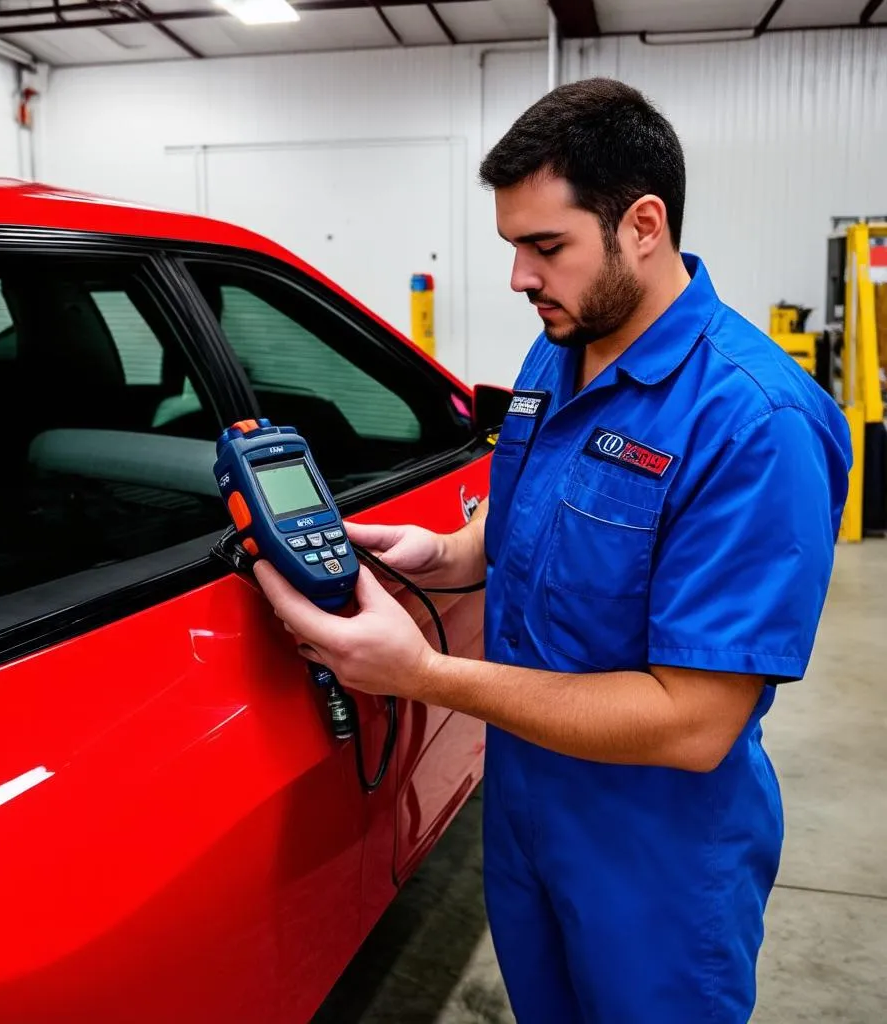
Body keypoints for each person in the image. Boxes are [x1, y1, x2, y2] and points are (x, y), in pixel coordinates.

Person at [253, 78, 852, 1022]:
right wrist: (450, 552)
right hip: (530, 807)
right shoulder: (562, 347)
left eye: (547, 247)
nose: (520, 278)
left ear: (642, 224)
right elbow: (538, 505)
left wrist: (422, 675)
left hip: (655, 848)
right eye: (513, 248)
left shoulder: (755, 421)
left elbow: (695, 724)